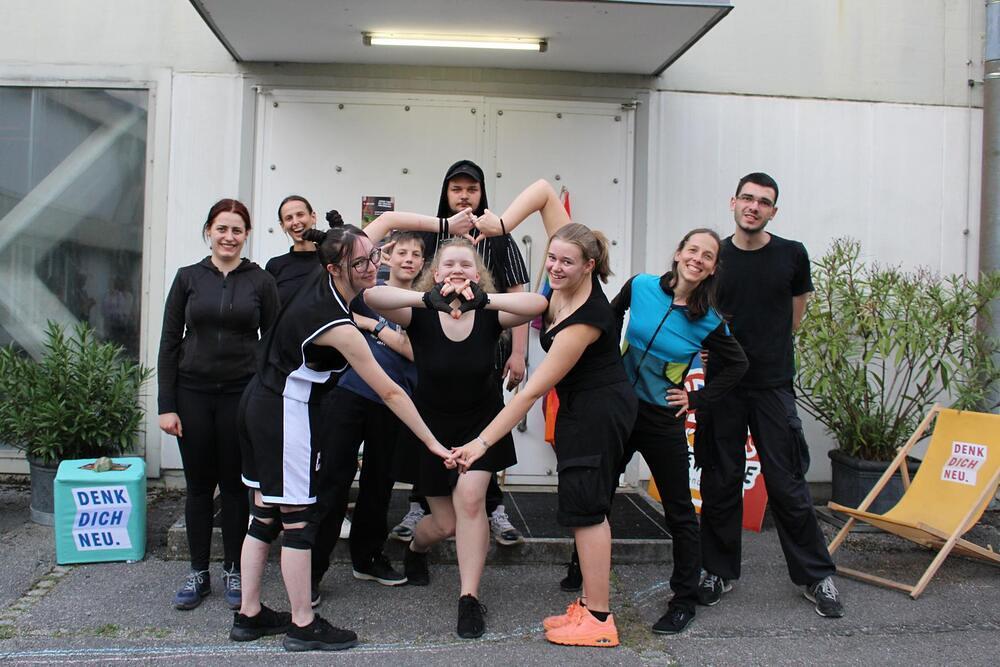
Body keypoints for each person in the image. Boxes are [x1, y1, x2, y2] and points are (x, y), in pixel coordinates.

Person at [231, 209, 473, 652]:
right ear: (334, 268)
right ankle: (303, 624)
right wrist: (433, 442)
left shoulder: (332, 267)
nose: (371, 266)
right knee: (297, 522)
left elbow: (389, 219)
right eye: (361, 263)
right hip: (285, 412)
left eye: (373, 256)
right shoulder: (339, 325)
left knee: (264, 515)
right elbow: (392, 392)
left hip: (260, 403)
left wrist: (446, 226)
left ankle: (249, 614)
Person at [450, 180, 638, 648]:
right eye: (551, 258)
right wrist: (501, 225)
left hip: (598, 411)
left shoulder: (585, 319)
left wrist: (481, 442)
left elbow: (531, 392)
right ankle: (589, 606)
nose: (554, 267)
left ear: (589, 266)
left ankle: (599, 619)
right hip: (582, 406)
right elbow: (542, 191)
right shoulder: (571, 253)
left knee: (589, 512)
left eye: (566, 262)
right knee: (582, 508)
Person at [364, 238, 547, 639]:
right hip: (430, 427)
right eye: (449, 264)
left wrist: (487, 300)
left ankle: (469, 598)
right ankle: (416, 549)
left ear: (477, 275)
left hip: (480, 423)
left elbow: (538, 304)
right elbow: (372, 296)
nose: (458, 270)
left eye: (466, 264)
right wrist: (426, 299)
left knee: (471, 500)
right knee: (444, 523)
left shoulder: (490, 314)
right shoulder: (419, 312)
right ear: (435, 274)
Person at [697, 172, 845, 618]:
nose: (754, 207)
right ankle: (717, 571)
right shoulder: (715, 256)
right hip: (723, 387)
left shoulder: (791, 254)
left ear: (773, 212)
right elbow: (697, 311)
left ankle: (816, 576)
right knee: (721, 481)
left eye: (763, 202)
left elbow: (794, 318)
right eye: (747, 198)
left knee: (788, 483)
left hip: (772, 385)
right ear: (733, 202)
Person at [605, 228, 748, 635]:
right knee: (600, 492)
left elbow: (738, 365)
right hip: (621, 410)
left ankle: (684, 600)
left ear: (713, 268)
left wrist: (696, 398)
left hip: (660, 419)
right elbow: (609, 318)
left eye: (707, 255)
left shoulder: (709, 320)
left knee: (680, 512)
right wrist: (607, 371)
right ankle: (582, 571)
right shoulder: (641, 286)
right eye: (693, 250)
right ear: (679, 252)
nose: (697, 259)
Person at [391, 159, 530, 547]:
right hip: (432, 353)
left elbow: (519, 294)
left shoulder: (500, 237)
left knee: (487, 434)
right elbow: (405, 282)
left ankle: (493, 508)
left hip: (485, 354)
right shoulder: (431, 235)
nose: (464, 196)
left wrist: (519, 353)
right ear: (446, 193)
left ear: (482, 193)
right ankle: (421, 506)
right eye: (457, 189)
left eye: (472, 189)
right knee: (428, 428)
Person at [157, 198, 279, 611]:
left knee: (234, 487)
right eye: (222, 228)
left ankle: (233, 569)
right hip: (192, 393)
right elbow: (169, 342)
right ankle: (197, 572)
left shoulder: (260, 281)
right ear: (209, 231)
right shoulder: (188, 278)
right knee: (198, 486)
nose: (229, 237)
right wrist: (167, 405)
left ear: (247, 235)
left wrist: (268, 398)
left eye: (237, 230)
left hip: (241, 395)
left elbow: (273, 343)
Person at [308, 231, 425, 597]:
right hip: (349, 394)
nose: (408, 259)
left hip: (393, 403)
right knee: (333, 481)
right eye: (401, 252)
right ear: (387, 256)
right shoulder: (367, 290)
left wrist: (373, 325)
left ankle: (368, 558)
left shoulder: (425, 303)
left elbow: (416, 352)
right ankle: (311, 571)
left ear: (424, 262)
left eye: (416, 254)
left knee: (379, 484)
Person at [265, 195, 321, 306]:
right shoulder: (275, 266)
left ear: (313, 217)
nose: (295, 222)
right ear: (282, 225)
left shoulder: (330, 260)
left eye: (300, 215)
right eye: (289, 218)